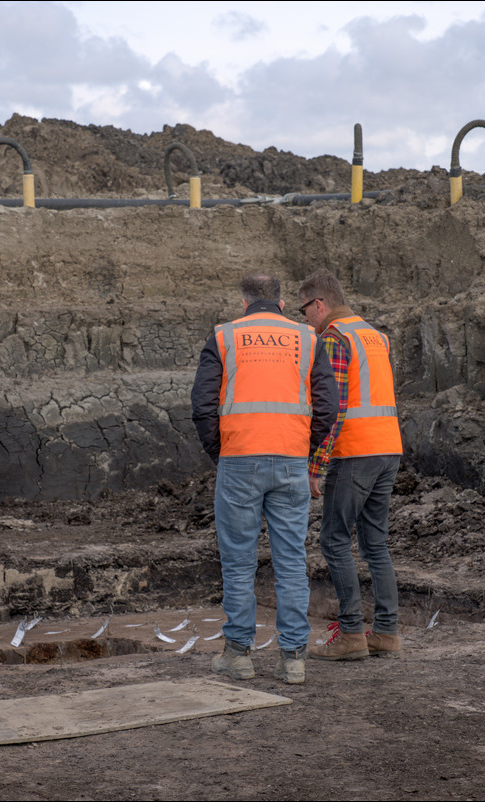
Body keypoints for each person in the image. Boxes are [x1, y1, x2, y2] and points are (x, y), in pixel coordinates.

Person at [191, 273, 337, 685]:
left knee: (238, 563)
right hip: (290, 461)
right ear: (282, 303)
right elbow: (327, 405)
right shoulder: (307, 338)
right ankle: (293, 659)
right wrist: (301, 448)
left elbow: (202, 406)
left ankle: (238, 654)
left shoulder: (223, 337)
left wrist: (221, 453)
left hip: (240, 460)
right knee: (291, 562)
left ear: (243, 303)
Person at [297, 268, 405, 661]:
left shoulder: (334, 338)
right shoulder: (375, 335)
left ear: (319, 304)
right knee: (375, 542)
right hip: (388, 448)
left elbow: (334, 407)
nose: (304, 317)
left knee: (334, 540)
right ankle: (387, 633)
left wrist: (315, 465)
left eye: (304, 309)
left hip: (354, 452)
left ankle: (351, 634)